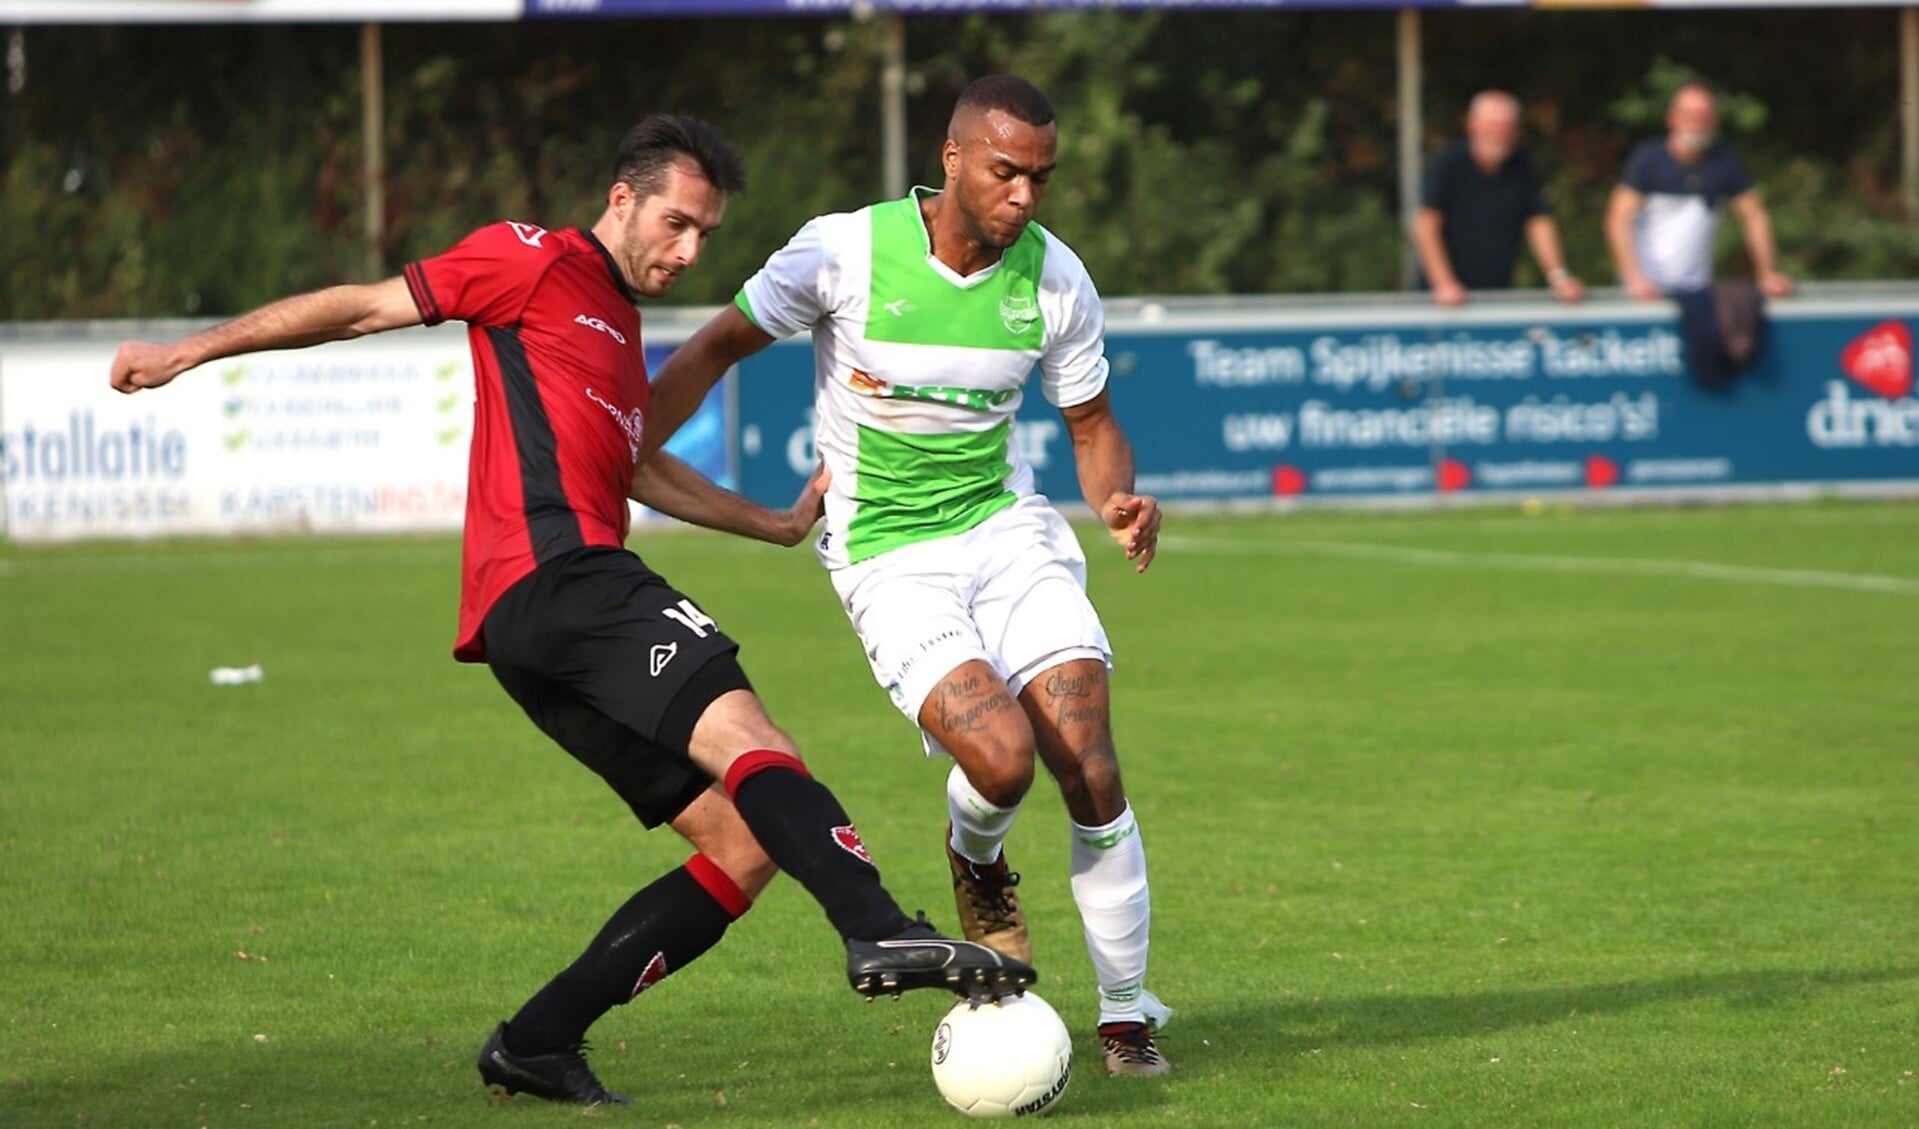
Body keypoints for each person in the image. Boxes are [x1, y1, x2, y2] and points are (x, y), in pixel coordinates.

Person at [107, 113, 1033, 1109]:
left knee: (741, 840)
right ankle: (873, 919)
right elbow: (363, 308)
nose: (686, 252)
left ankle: (538, 1039)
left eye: (704, 237)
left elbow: (633, 468)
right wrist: (187, 352)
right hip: (565, 578)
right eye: (675, 224)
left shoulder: (613, 324)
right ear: (621, 198)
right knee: (753, 738)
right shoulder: (531, 261)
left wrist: (764, 523)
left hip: (529, 630)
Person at [638, 77, 1172, 1077]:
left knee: (1090, 759)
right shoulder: (844, 250)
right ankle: (976, 859)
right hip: (887, 552)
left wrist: (1113, 501)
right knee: (1002, 759)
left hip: (1005, 528)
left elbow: (1091, 428)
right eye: (1006, 171)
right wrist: (622, 445)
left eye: (1041, 177)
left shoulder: (1054, 279)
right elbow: (717, 343)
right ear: (954, 158)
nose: (1023, 195)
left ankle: (1124, 1013)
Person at [1606, 80, 1794, 301]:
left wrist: (1766, 273)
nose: (1695, 124)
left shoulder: (1725, 161)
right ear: (1672, 118)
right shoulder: (1647, 159)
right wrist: (1634, 279)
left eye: (1702, 116)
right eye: (1688, 115)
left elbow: (1754, 215)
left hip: (1696, 291)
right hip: (1645, 292)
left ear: (1714, 121)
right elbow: (1618, 219)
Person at [1413, 89, 1584, 307]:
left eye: (1506, 127)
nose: (1499, 134)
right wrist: (1444, 283)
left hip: (1496, 296)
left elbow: (1538, 222)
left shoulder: (1521, 166)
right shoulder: (1448, 163)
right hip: (1441, 302)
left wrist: (1559, 278)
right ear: (1472, 125)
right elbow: (1426, 225)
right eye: (1492, 126)